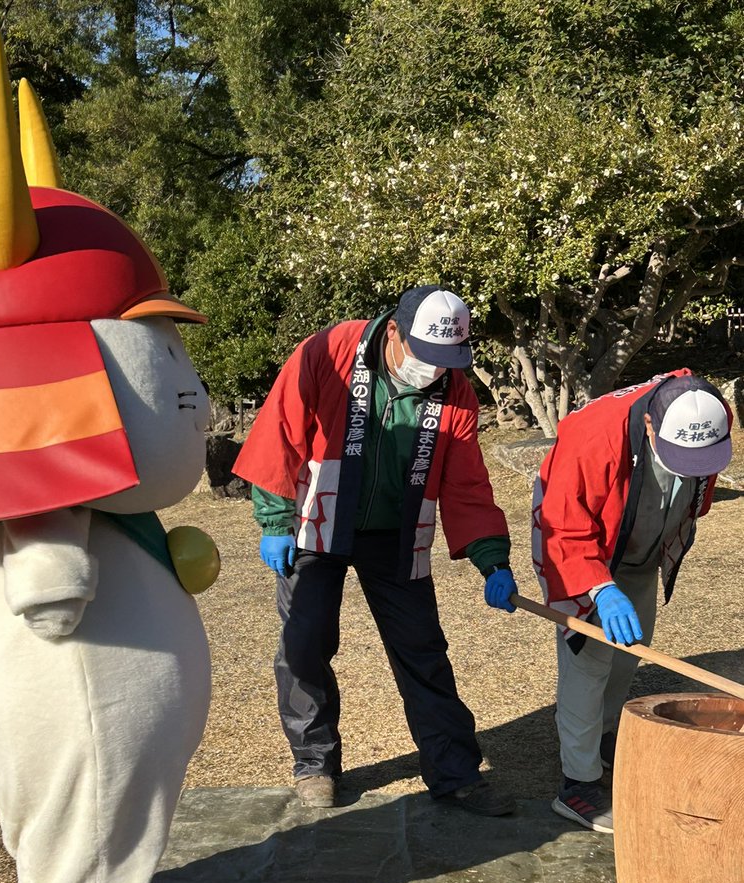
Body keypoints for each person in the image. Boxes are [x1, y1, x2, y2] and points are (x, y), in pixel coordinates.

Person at [233, 285, 518, 813]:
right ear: (394, 332)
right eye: (426, 356)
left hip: (398, 528)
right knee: (305, 642)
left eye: (446, 361)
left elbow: (466, 484)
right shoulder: (328, 351)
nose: (434, 371)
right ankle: (315, 762)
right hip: (319, 520)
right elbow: (280, 428)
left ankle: (455, 771)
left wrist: (491, 559)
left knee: (423, 651)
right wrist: (274, 518)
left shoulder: (456, 391)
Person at [532, 370, 734, 834]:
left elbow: (694, 492)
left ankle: (605, 739)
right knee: (589, 660)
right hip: (583, 544)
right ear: (649, 427)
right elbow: (563, 524)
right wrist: (600, 588)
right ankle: (577, 783)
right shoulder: (591, 437)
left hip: (641, 546)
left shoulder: (704, 413)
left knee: (629, 652)